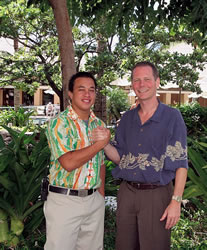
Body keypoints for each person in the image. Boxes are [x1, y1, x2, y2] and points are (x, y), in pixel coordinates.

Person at [92, 61, 188, 250]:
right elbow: (120, 157)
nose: (141, 84)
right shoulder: (127, 119)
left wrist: (176, 201)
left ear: (157, 81)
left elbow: (181, 163)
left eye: (146, 79)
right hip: (127, 193)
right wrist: (102, 143)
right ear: (132, 84)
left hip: (156, 194)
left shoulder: (172, 117)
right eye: (137, 80)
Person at [44, 72, 110, 250]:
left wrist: (100, 196)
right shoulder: (59, 123)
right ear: (70, 94)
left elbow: (101, 163)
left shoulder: (99, 125)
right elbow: (68, 163)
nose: (87, 94)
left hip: (93, 200)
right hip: (64, 201)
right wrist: (100, 144)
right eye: (81, 89)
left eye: (91, 90)